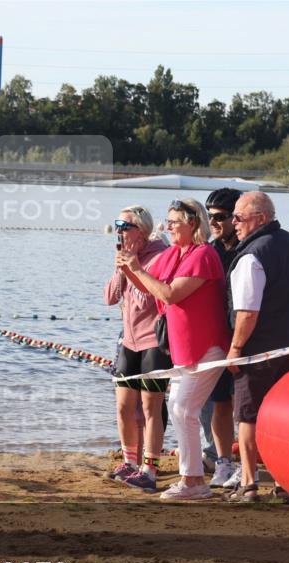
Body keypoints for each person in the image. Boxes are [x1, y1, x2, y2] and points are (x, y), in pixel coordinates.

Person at [117, 199, 229, 501]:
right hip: (182, 348)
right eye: (167, 220)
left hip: (207, 346)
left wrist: (137, 268)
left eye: (174, 221)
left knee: (182, 408)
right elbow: (147, 287)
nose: (168, 226)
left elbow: (171, 294)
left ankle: (194, 480)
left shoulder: (203, 255)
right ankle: (192, 479)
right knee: (181, 409)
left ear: (192, 223)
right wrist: (128, 268)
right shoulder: (173, 254)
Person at [224, 192, 289, 502]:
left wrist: (235, 347)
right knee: (283, 415)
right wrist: (287, 322)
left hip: (257, 348)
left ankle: (249, 483)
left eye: (239, 217)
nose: (233, 223)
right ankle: (284, 482)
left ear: (260, 218)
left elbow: (247, 312)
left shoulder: (252, 255)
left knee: (248, 415)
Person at [104, 205, 170, 483]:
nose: (119, 231)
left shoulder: (160, 256)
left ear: (142, 232)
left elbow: (152, 296)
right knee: (123, 405)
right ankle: (129, 460)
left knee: (150, 408)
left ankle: (149, 467)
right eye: (117, 225)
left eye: (125, 226)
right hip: (128, 341)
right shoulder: (125, 257)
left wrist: (134, 268)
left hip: (154, 341)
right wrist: (121, 269)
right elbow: (109, 298)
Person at [201, 188, 243, 488]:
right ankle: (221, 459)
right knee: (216, 403)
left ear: (235, 217)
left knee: (244, 404)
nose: (213, 222)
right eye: (208, 216)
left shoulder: (249, 248)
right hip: (216, 337)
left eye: (219, 217)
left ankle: (245, 462)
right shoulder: (209, 250)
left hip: (245, 336)